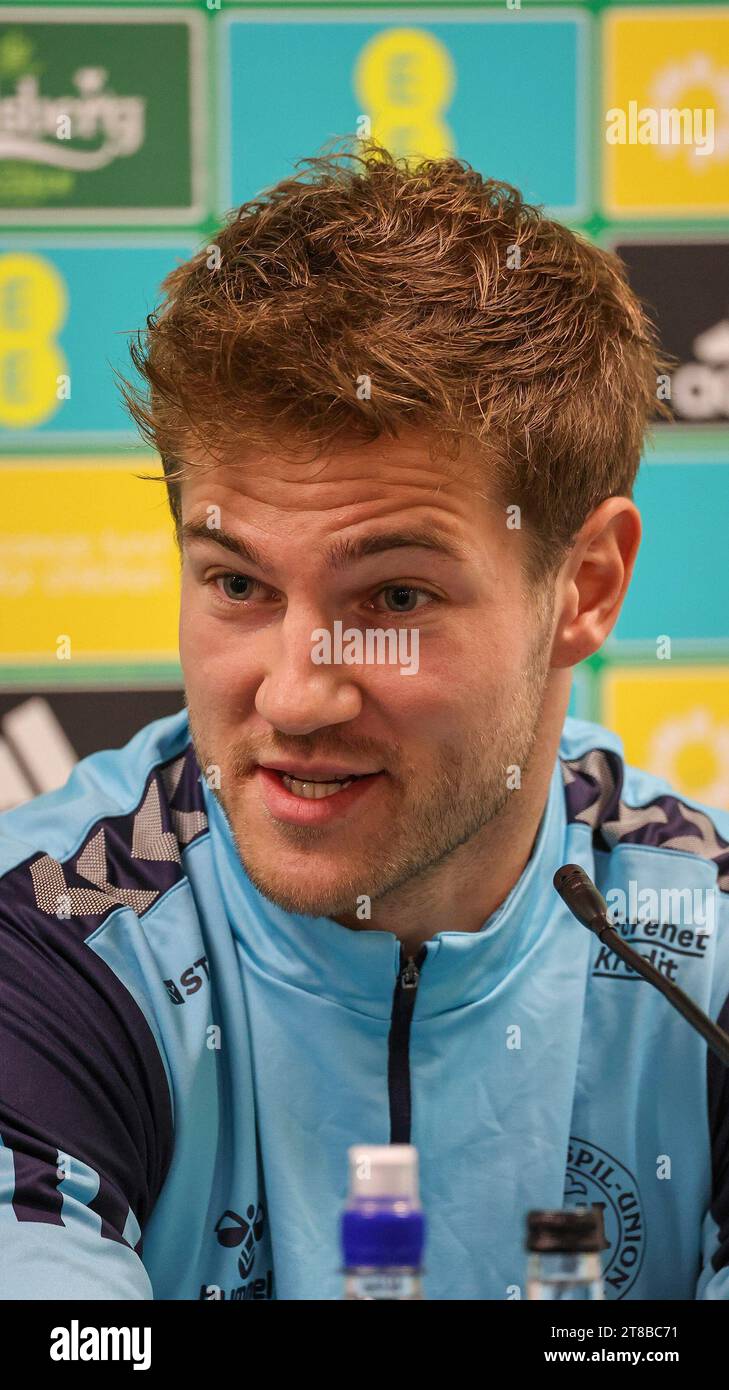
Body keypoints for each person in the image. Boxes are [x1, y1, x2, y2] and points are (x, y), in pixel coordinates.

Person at [1, 142, 727, 1301]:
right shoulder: (48, 942)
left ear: (584, 588)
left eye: (394, 597)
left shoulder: (708, 948)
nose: (295, 695)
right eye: (239, 583)